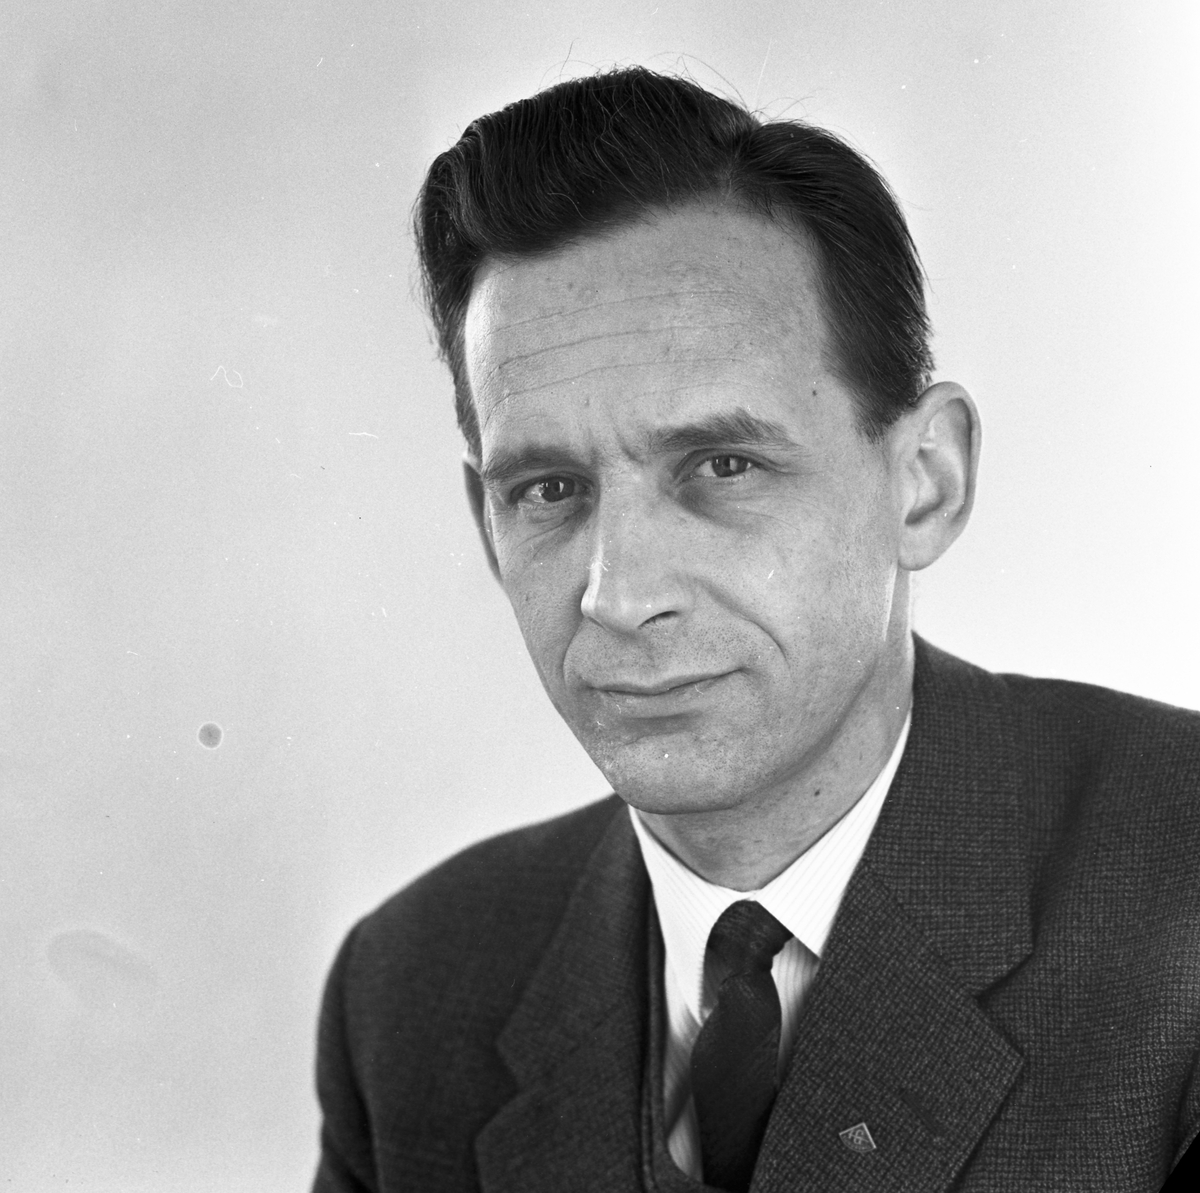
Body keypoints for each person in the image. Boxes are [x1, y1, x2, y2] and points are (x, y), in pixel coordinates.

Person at [311, 67, 1200, 1193]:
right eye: (547, 490)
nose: (618, 594)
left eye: (722, 465)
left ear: (924, 482)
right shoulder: (412, 990)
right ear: (487, 527)